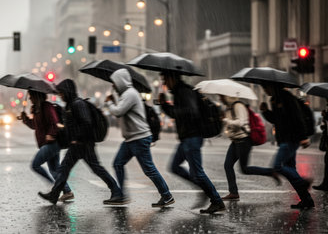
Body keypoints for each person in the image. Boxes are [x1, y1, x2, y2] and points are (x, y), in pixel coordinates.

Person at [38, 79, 126, 205]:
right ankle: (55, 194)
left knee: (95, 168)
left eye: (62, 93)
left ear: (67, 92)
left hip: (84, 144)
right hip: (76, 145)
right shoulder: (69, 105)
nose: (60, 95)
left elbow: (87, 123)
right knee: (64, 169)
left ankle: (117, 192)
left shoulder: (78, 104)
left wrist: (77, 138)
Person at [106, 69, 174, 207]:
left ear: (121, 81)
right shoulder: (126, 95)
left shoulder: (130, 94)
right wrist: (114, 101)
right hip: (131, 139)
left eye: (114, 82)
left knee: (149, 169)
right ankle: (121, 196)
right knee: (118, 163)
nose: (113, 85)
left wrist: (110, 103)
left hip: (139, 138)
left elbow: (118, 112)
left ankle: (166, 196)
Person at [159, 73, 225, 214]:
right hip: (187, 137)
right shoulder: (179, 92)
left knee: (198, 173)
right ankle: (204, 191)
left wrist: (168, 107)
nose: (164, 82)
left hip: (192, 136)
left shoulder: (184, 91)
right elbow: (181, 112)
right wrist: (165, 105)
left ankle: (216, 200)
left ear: (172, 78)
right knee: (175, 166)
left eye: (165, 79)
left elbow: (191, 112)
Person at [260, 84, 314, 209]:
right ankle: (306, 200)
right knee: (290, 171)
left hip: (292, 138)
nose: (265, 90)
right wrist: (265, 112)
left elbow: (297, 117)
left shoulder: (287, 97)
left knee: (277, 166)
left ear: (273, 86)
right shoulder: (274, 99)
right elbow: (276, 119)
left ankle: (303, 183)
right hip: (285, 138)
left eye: (266, 87)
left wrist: (303, 137)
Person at [220, 95, 280, 201]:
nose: (220, 99)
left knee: (245, 169)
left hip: (244, 140)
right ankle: (233, 193)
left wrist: (225, 120)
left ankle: (271, 172)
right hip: (235, 141)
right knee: (227, 165)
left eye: (221, 97)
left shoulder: (238, 106)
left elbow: (241, 123)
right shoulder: (228, 108)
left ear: (227, 97)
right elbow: (231, 125)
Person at [20, 90, 73, 201]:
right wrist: (25, 119)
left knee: (35, 165)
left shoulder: (47, 107)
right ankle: (67, 191)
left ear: (37, 96)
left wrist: (51, 134)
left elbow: (55, 122)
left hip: (52, 143)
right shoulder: (37, 109)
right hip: (46, 143)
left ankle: (54, 188)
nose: (29, 99)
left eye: (31, 96)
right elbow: (35, 126)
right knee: (54, 170)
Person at [313, 99, 328, 192]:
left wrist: (326, 115)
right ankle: (325, 184)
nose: (326, 99)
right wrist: (324, 126)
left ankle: (325, 184)